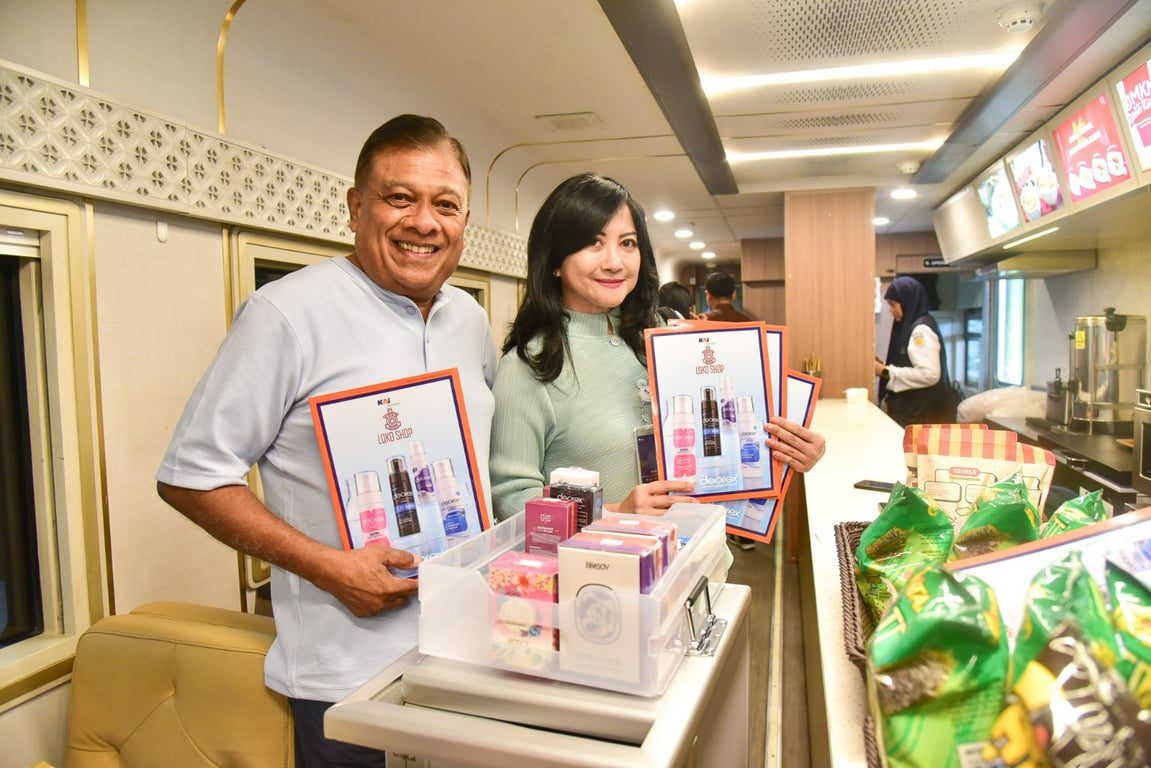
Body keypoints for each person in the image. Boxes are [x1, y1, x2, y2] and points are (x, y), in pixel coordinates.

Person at [156, 114, 496, 767]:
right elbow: (191, 476)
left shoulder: (471, 320)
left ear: (464, 220)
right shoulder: (286, 314)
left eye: (445, 205)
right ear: (356, 207)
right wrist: (328, 567)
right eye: (400, 198)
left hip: (467, 657)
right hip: (347, 679)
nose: (424, 222)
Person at [489, 173, 825, 522]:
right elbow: (511, 498)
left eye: (628, 243)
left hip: (699, 548)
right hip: (611, 556)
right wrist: (613, 513)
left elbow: (733, 426)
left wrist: (795, 447)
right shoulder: (529, 365)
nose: (614, 262)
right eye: (593, 243)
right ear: (555, 260)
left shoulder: (665, 340)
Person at [875, 275, 956, 426]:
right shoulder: (914, 325)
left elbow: (930, 375)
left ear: (907, 302)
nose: (891, 310)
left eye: (893, 305)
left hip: (923, 415)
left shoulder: (921, 330)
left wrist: (885, 371)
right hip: (916, 413)